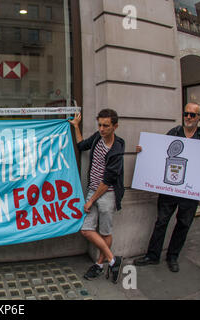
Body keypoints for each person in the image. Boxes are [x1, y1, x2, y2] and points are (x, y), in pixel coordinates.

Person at [134, 102, 200, 272]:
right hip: (170, 189)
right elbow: (158, 152)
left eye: (192, 115)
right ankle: (153, 255)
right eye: (186, 113)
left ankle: (173, 256)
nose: (188, 117)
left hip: (190, 191)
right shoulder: (174, 133)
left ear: (199, 118)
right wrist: (144, 151)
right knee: (161, 221)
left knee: (183, 223)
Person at [69, 109, 125, 284]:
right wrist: (76, 126)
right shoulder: (97, 138)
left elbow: (107, 181)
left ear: (115, 126)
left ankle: (100, 265)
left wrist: (91, 200)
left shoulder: (117, 150)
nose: (101, 129)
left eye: (105, 126)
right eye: (99, 125)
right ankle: (113, 260)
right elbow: (81, 146)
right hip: (93, 190)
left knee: (105, 231)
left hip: (107, 194)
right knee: (86, 229)